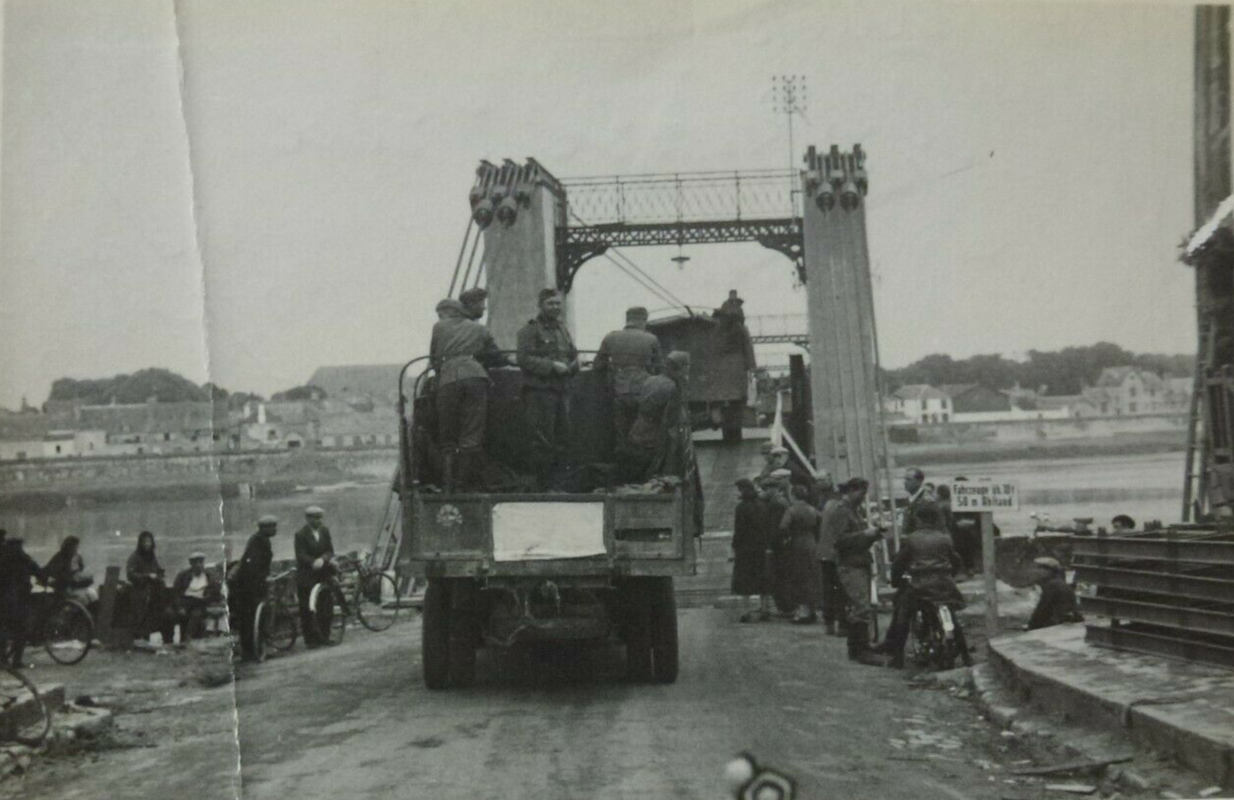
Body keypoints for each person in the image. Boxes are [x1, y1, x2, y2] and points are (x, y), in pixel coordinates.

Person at [876, 501, 972, 669]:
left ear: (919, 519)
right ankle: (966, 657)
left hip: (920, 588)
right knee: (954, 620)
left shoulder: (911, 539)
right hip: (944, 586)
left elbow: (899, 563)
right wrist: (949, 575)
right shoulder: (945, 538)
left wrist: (896, 580)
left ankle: (897, 657)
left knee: (903, 615)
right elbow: (956, 561)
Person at [430, 297, 506, 492]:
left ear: (448, 312)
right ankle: (464, 484)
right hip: (476, 377)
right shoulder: (479, 329)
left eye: (441, 314)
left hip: (449, 379)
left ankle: (448, 484)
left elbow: (434, 358)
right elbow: (497, 356)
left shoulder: (439, 327)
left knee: (448, 432)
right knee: (472, 432)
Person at [516, 288, 579, 486]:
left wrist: (574, 363)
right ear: (541, 306)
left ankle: (560, 483)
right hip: (540, 391)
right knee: (542, 439)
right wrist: (552, 366)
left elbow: (571, 353)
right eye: (550, 303)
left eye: (558, 303)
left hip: (562, 390)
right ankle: (543, 484)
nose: (555, 307)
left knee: (563, 437)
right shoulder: (530, 330)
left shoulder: (563, 330)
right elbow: (523, 359)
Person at [833, 478, 888, 665]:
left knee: (861, 606)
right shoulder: (842, 511)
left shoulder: (853, 510)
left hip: (858, 562)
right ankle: (862, 650)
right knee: (861, 607)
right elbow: (840, 541)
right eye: (861, 493)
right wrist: (865, 534)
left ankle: (857, 648)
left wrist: (873, 535)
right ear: (850, 491)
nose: (863, 497)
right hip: (851, 565)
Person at [595, 306, 663, 451]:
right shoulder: (651, 339)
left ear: (627, 320)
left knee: (621, 432)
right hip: (643, 391)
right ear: (643, 320)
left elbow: (598, 365)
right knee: (642, 431)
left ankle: (623, 465)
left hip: (620, 391)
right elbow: (659, 368)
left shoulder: (610, 337)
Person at [623, 351, 691, 480]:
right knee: (652, 472)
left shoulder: (651, 379)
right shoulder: (672, 387)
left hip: (638, 427)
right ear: (680, 368)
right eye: (686, 367)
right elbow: (670, 421)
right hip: (653, 433)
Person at [229, 515, 278, 662]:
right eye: (272, 526)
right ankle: (253, 651)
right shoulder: (260, 541)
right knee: (252, 618)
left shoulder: (258, 539)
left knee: (249, 619)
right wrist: (263, 579)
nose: (275, 529)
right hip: (249, 586)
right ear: (264, 528)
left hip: (249, 584)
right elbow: (253, 566)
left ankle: (250, 652)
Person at [780, 484, 824, 624]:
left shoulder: (791, 510)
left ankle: (802, 612)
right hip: (812, 544)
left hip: (797, 545)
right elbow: (821, 522)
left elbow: (783, 526)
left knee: (799, 577)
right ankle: (812, 610)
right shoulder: (813, 510)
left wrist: (787, 538)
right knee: (812, 576)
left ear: (793, 495)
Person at [730, 478, 771, 623]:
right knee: (762, 579)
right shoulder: (762, 505)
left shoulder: (741, 507)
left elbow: (739, 530)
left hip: (745, 549)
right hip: (761, 548)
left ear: (742, 490)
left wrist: (734, 547)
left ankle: (745, 612)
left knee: (744, 581)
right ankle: (765, 609)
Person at [294, 506, 335, 648]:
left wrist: (323, 559)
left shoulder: (325, 531)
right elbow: (300, 555)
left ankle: (325, 637)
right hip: (307, 576)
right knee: (307, 608)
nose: (318, 520)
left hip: (323, 574)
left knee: (326, 606)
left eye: (320, 517)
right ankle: (310, 640)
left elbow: (330, 550)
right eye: (315, 518)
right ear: (308, 519)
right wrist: (313, 561)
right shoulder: (300, 534)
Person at [0, 533, 42, 667]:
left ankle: (3, 659)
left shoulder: (4, 557)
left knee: (4, 630)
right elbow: (38, 571)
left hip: (8, 598)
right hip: (18, 599)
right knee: (20, 630)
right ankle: (16, 661)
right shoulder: (23, 558)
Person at [126, 531, 174, 644]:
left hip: (154, 591)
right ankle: (141, 638)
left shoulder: (152, 557)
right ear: (140, 543)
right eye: (145, 542)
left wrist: (160, 574)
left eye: (149, 541)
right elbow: (130, 575)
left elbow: (157, 570)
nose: (147, 544)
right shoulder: (134, 557)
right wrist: (147, 576)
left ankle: (168, 640)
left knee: (167, 612)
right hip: (140, 591)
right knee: (141, 614)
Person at [817, 486, 852, 637]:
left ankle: (829, 623)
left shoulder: (828, 506)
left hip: (824, 552)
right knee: (841, 589)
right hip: (836, 553)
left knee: (828, 590)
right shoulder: (842, 508)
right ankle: (843, 624)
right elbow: (843, 534)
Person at [761, 469, 794, 615]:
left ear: (774, 488)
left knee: (779, 576)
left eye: (767, 489)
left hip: (778, 545)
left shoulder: (775, 504)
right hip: (783, 543)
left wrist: (770, 546)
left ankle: (785, 607)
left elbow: (774, 527)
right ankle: (785, 606)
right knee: (783, 575)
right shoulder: (781, 501)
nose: (765, 491)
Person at [173, 552, 221, 640]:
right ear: (191, 564)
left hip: (201, 602)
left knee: (197, 614)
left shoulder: (208, 576)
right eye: (195, 563)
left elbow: (215, 592)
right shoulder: (183, 575)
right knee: (185, 615)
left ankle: (189, 637)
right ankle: (187, 638)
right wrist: (179, 607)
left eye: (200, 562)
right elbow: (176, 593)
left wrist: (209, 598)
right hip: (186, 602)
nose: (198, 565)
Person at [1027, 557, 1084, 631]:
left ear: (1049, 571)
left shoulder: (1053, 585)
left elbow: (1043, 610)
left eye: (1038, 568)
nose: (1034, 572)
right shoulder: (1058, 583)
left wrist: (1031, 627)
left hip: (1057, 626)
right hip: (1064, 623)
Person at [42, 535, 95, 603]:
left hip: (74, 584)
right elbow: (48, 570)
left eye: (76, 546)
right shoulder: (60, 557)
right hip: (64, 586)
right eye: (74, 546)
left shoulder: (77, 557)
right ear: (68, 547)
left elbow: (80, 569)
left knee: (90, 593)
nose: (76, 548)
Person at [901, 467, 933, 535]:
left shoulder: (926, 501)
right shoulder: (909, 499)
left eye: (908, 479)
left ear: (918, 482)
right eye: (904, 479)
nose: (904, 482)